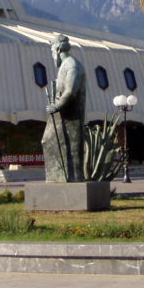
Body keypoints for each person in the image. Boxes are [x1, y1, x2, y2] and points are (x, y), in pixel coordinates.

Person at [42, 34, 86, 182]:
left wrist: (56, 106)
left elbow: (70, 91)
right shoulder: (65, 66)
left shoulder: (73, 66)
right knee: (48, 141)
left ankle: (70, 178)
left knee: (70, 147)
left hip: (70, 116)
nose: (53, 56)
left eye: (52, 52)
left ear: (58, 49)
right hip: (61, 115)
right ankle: (58, 177)